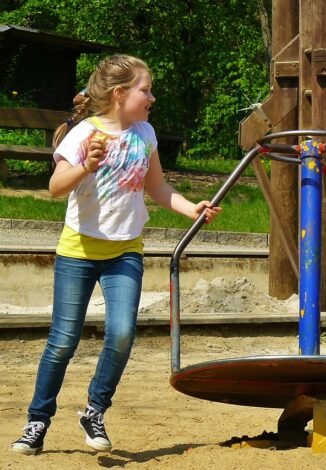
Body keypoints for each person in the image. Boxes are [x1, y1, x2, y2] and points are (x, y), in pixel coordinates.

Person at [10, 54, 220, 456]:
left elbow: (158, 188)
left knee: (122, 333)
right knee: (62, 341)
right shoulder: (83, 133)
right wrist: (86, 165)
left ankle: (94, 409)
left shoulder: (146, 134)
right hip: (78, 250)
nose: (152, 97)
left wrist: (191, 207)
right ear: (121, 93)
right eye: (146, 89)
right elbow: (56, 187)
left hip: (125, 250)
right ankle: (37, 420)